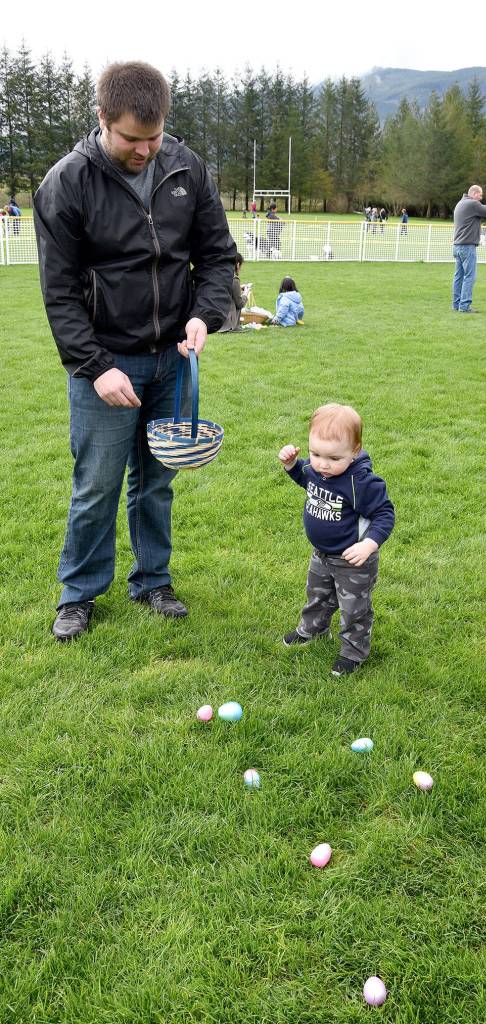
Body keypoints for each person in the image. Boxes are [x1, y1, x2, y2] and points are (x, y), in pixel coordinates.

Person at [33, 61, 237, 641]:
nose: (147, 149)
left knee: (156, 478)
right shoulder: (67, 182)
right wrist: (95, 368)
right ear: (102, 119)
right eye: (133, 139)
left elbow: (218, 256)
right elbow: (60, 292)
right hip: (106, 362)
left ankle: (153, 580)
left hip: (173, 356)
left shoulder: (185, 166)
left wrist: (203, 314)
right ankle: (79, 592)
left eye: (155, 136)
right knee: (96, 481)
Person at [278, 403, 395, 676]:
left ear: (354, 452)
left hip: (353, 561)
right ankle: (312, 630)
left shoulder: (361, 483)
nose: (321, 464)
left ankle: (353, 652)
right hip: (321, 554)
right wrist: (292, 465)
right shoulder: (319, 471)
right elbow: (307, 481)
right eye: (315, 454)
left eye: (333, 458)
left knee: (354, 608)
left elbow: (385, 515)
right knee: (317, 595)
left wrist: (369, 544)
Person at [452, 185, 486, 313]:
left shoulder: (460, 203)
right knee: (470, 276)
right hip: (467, 246)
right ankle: (464, 306)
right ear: (474, 193)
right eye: (480, 196)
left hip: (457, 245)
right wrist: (478, 204)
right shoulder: (472, 204)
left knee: (458, 276)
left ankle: (456, 304)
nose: (480, 199)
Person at [218, 253, 249, 332]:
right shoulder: (235, 279)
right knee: (237, 302)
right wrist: (246, 293)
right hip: (229, 321)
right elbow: (239, 303)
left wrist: (239, 287)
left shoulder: (221, 275)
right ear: (238, 265)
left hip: (217, 317)